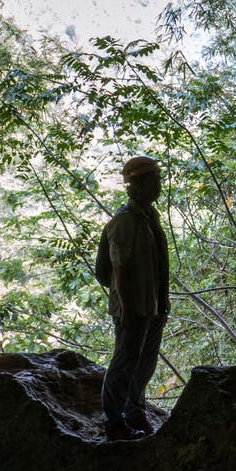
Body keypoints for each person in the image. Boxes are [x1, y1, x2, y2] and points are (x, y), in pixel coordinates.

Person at [94, 156, 170, 440]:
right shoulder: (124, 221)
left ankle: (135, 413)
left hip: (153, 305)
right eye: (154, 180)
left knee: (144, 364)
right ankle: (114, 422)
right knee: (124, 363)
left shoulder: (149, 217)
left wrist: (160, 304)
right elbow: (118, 268)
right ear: (139, 185)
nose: (158, 185)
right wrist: (126, 308)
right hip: (133, 308)